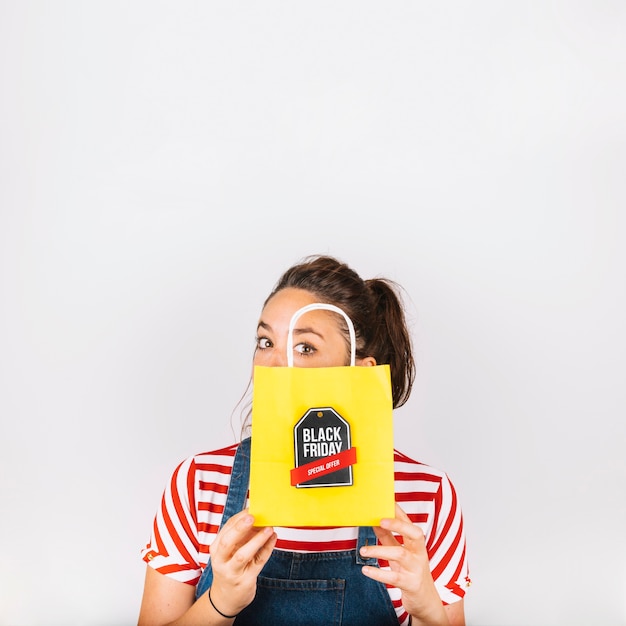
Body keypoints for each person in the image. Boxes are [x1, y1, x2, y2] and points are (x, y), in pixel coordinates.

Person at [138, 255, 471, 626]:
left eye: (305, 348)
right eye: (265, 342)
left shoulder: (427, 494)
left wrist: (426, 608)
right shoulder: (198, 484)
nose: (274, 366)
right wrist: (220, 603)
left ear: (360, 372)